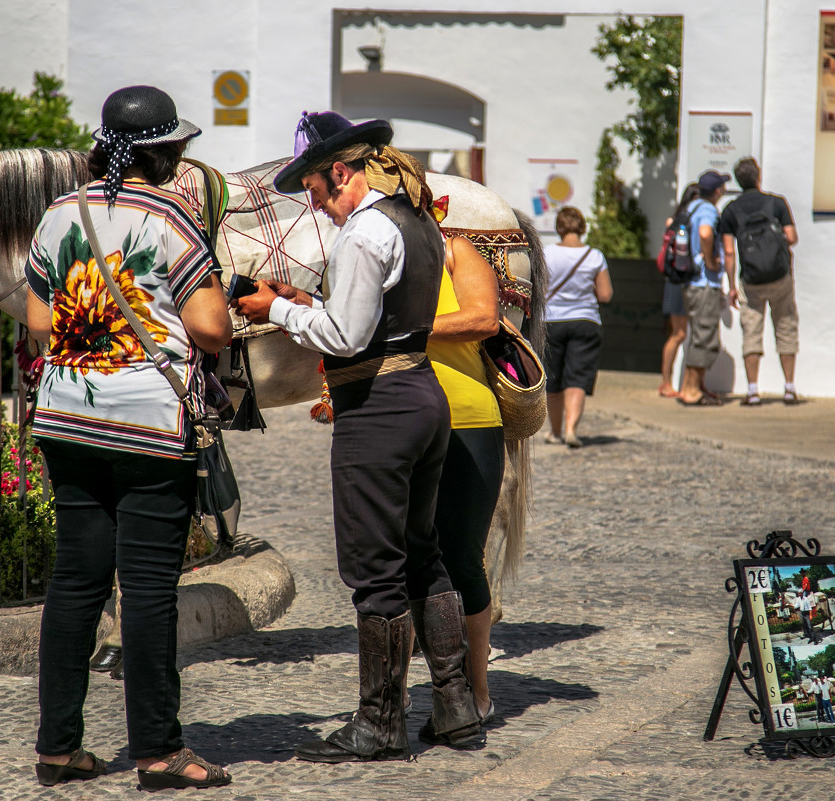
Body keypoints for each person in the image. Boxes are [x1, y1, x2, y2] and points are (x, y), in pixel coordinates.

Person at [234, 111, 482, 762]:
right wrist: (304, 300)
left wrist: (275, 309)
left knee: (376, 572)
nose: (310, 199)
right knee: (422, 553)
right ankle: (455, 706)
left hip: (380, 408)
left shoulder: (363, 233)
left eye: (312, 186)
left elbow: (346, 339)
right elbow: (373, 318)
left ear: (339, 170)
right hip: (422, 395)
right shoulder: (417, 221)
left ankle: (380, 721)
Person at [25, 85, 233, 791]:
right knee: (147, 589)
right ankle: (158, 749)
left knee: (75, 583)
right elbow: (209, 328)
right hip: (148, 425)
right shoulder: (172, 214)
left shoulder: (58, 212)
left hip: (67, 419)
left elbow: (35, 320)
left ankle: (57, 748)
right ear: (166, 152)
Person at [426, 235, 505, 725]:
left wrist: (403, 328)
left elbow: (483, 319)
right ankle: (442, 688)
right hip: (399, 419)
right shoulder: (360, 243)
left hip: (468, 418)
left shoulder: (453, 249)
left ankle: (478, 691)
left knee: (461, 558)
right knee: (411, 558)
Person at [719, 157, 801, 406]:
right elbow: (792, 237)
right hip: (780, 276)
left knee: (751, 331)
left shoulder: (731, 210)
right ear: (759, 176)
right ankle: (789, 388)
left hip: (751, 280)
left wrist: (732, 286)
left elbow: (729, 253)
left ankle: (753, 391)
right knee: (785, 326)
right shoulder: (776, 203)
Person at [541, 206, 613, 447]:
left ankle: (556, 431)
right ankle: (572, 429)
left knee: (554, 379)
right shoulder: (595, 256)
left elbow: (538, 291)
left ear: (559, 228)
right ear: (582, 227)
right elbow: (605, 295)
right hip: (585, 321)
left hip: (552, 320)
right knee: (578, 377)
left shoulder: (547, 253)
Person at [677, 170, 734, 407]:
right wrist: (711, 262)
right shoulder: (708, 210)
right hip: (703, 283)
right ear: (718, 191)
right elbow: (705, 233)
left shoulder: (690, 208)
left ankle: (695, 386)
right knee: (704, 337)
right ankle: (690, 390)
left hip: (691, 282)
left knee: (700, 335)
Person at [657, 183, 699, 399]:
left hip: (673, 281)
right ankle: (666, 382)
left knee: (679, 333)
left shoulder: (672, 221)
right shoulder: (687, 222)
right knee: (679, 333)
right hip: (680, 281)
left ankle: (671, 382)